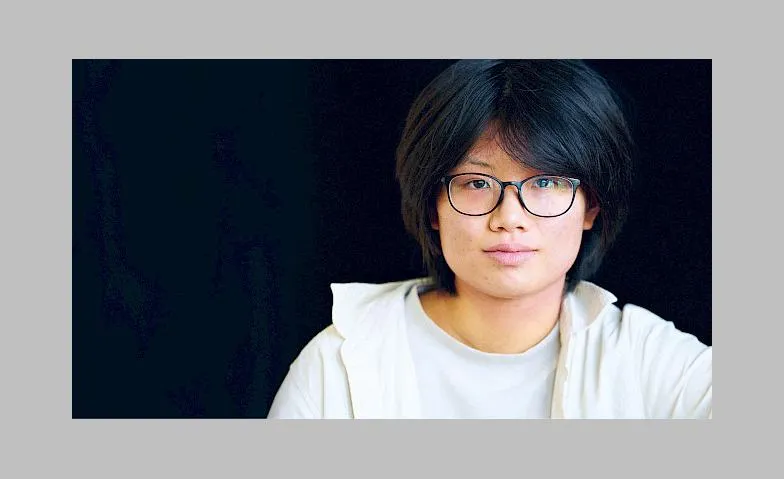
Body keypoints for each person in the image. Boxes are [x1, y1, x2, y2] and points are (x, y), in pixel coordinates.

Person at [267, 60, 712, 419]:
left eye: (546, 182)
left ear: (591, 207)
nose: (509, 218)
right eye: (477, 184)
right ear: (432, 207)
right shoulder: (338, 366)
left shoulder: (650, 361)